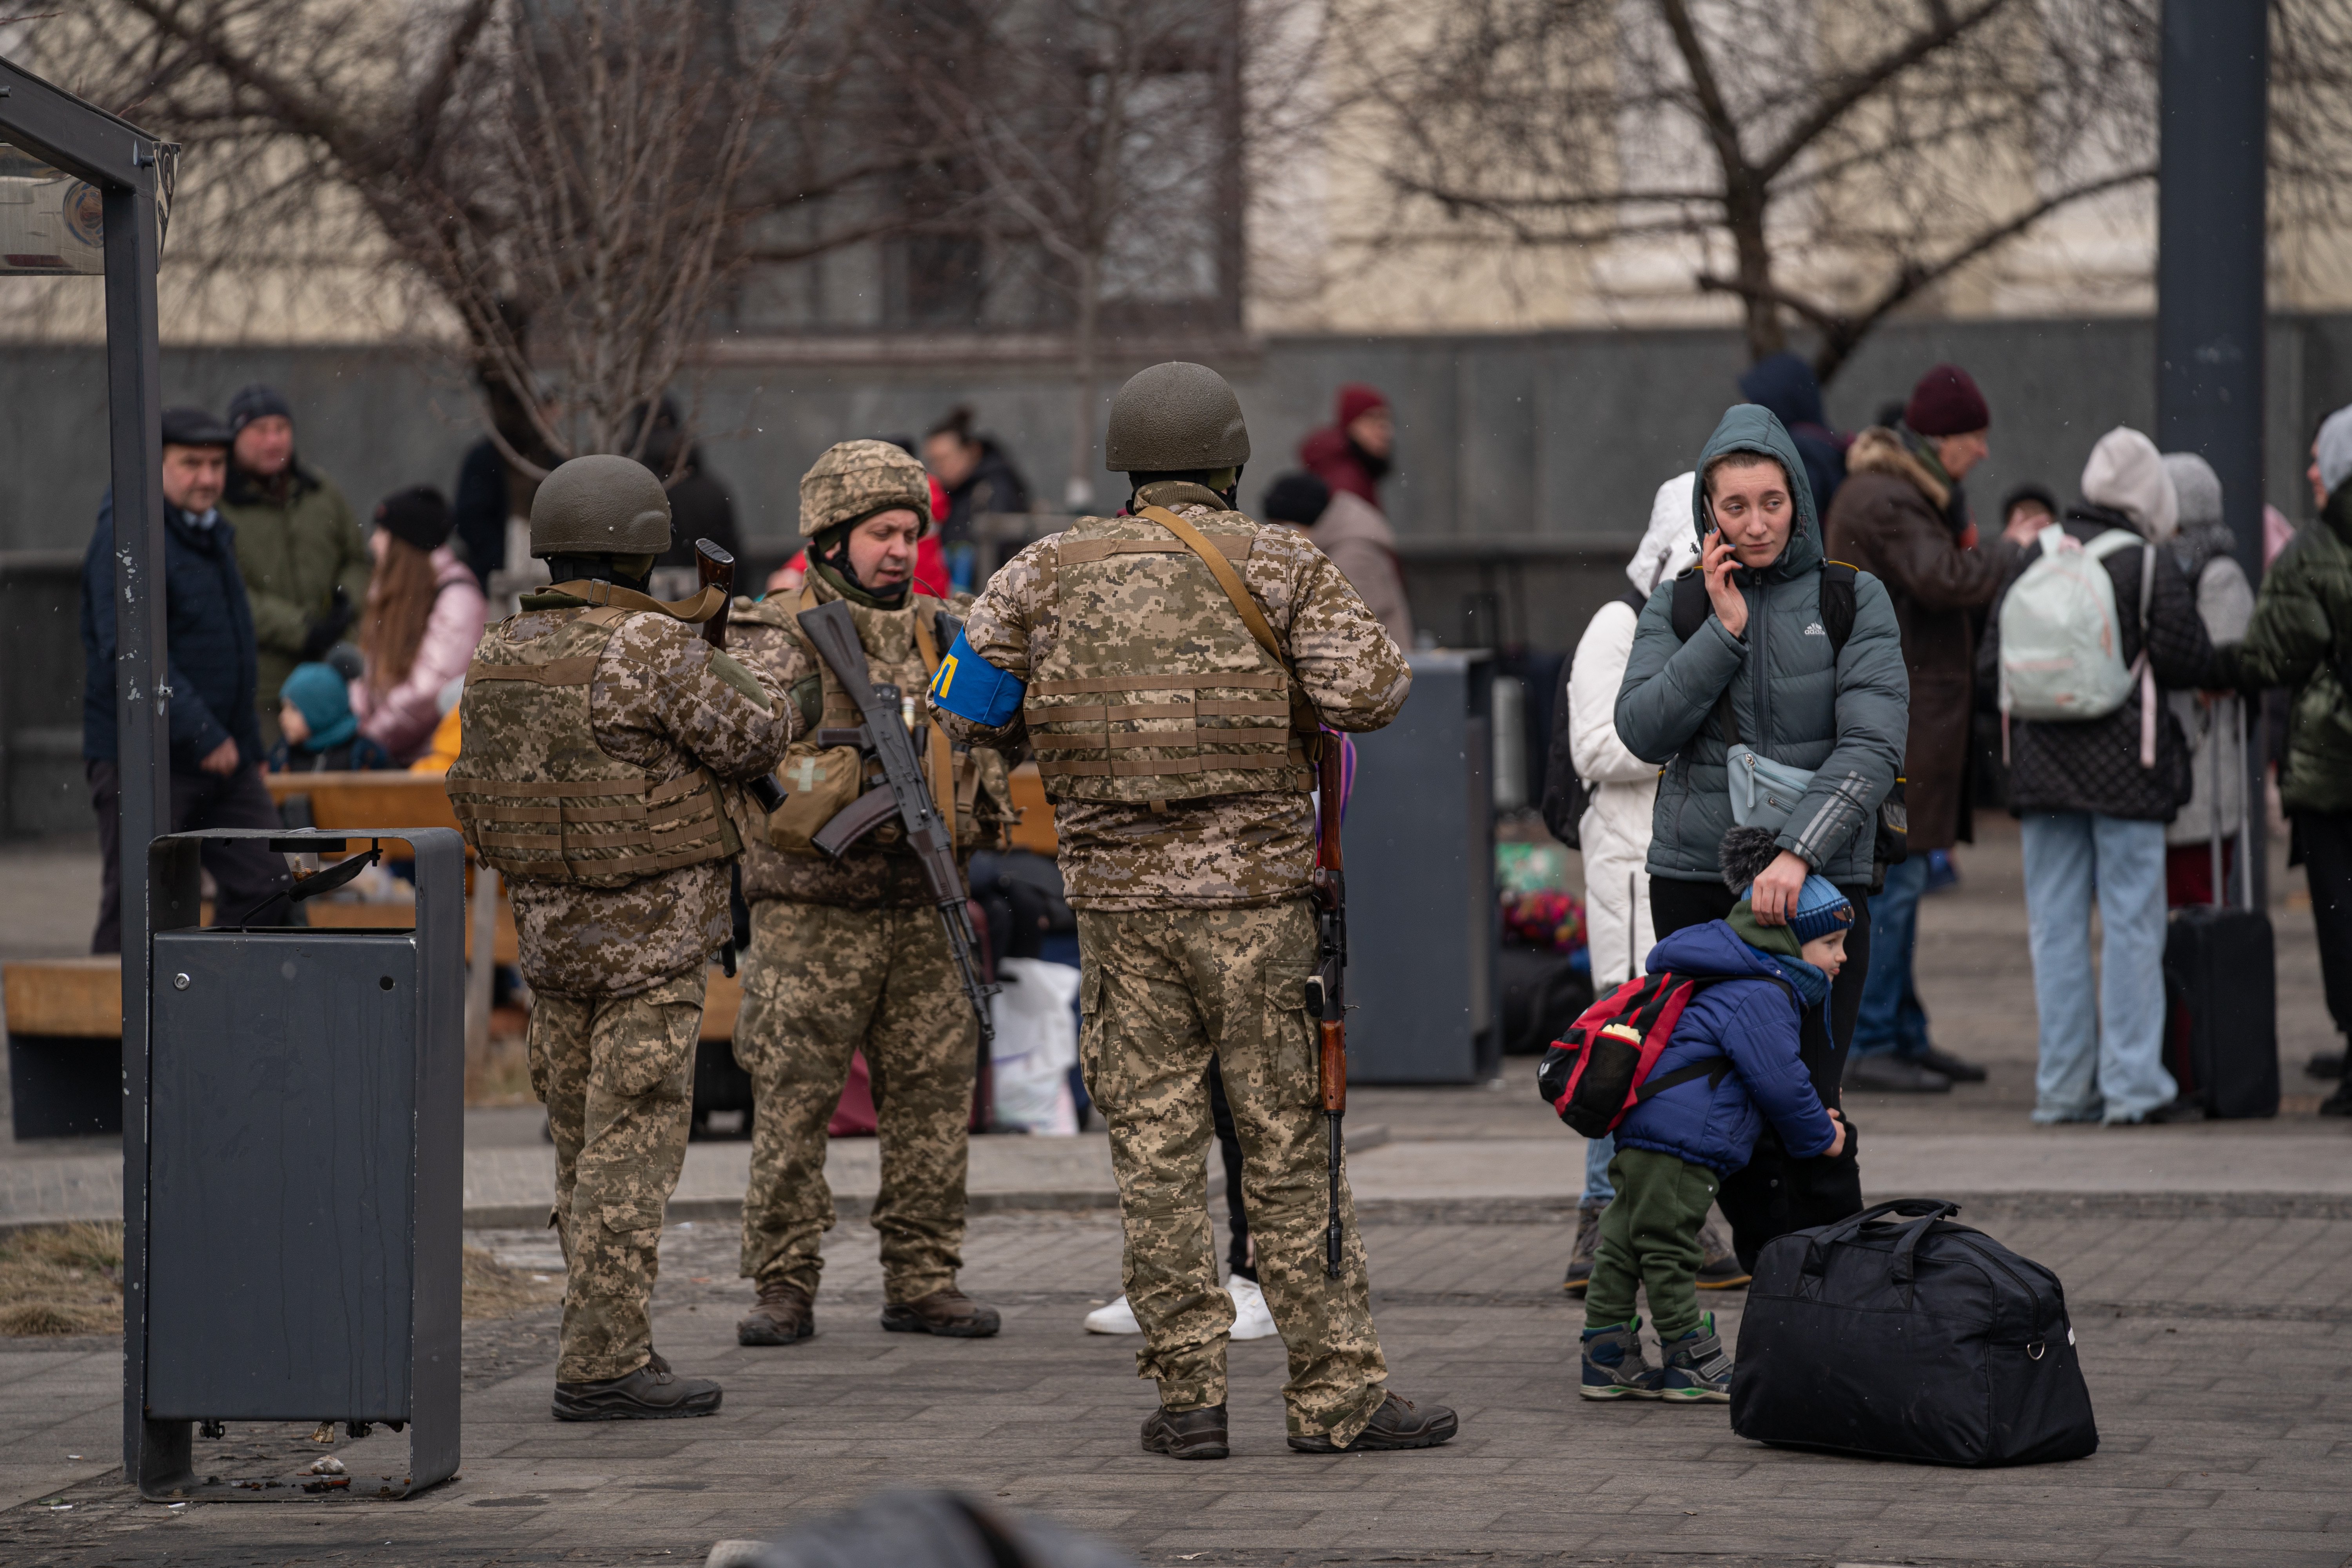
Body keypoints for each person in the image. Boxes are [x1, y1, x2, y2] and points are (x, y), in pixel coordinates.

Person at [930, 361, 1456, 1459]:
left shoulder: (1044, 570)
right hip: (1259, 911)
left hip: (1121, 916)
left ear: (1127, 465)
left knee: (1158, 1153)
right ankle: (1336, 1401)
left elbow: (966, 707)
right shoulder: (1279, 561)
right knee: (1289, 1151)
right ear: (1230, 460)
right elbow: (1375, 692)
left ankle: (1189, 1402)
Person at [444, 454, 793, 1419]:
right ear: (644, 546)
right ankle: (602, 1362)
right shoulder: (647, 646)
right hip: (650, 941)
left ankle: (606, 1333)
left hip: (551, 943)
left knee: (580, 1146)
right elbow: (755, 736)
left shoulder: (502, 647)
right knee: (631, 1150)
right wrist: (749, 665)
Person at [723, 439, 1016, 1349]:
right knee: (792, 1103)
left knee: (932, 1101)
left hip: (924, 910)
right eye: (880, 532)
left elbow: (1007, 722)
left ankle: (924, 1277)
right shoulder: (775, 635)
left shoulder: (948, 629)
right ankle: (783, 1282)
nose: (899, 549)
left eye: (909, 531)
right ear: (830, 536)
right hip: (810, 914)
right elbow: (731, 744)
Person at [1614, 403, 1907, 1270]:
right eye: (1733, 506)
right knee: (1721, 1100)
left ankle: (1835, 1288)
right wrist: (1723, 629)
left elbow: (1872, 745)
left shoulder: (1853, 597)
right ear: (1709, 511)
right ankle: (1779, 1283)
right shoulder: (1677, 603)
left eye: (1771, 502)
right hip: (1699, 883)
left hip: (1819, 890)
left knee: (1809, 1099)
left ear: (1799, 501)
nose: (1754, 523)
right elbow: (1642, 731)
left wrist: (1799, 852)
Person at [1980, 427, 2214, 1126]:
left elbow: (1991, 666)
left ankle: (2063, 1088)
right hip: (2128, 774)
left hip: (2043, 775)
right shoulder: (2145, 565)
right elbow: (2189, 658)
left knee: (2054, 931)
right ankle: (2133, 1088)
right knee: (2133, 929)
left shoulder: (2036, 557)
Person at [1551, 474, 1741, 1295]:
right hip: (1631, 864)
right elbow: (1596, 746)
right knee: (1627, 1035)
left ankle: (1675, 1216)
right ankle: (1603, 1217)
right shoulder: (1619, 625)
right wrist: (1686, 736)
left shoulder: (1726, 616)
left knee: (1683, 1036)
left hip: (1692, 857)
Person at [1579, 826, 1849, 1403]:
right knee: (1671, 1247)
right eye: (1831, 944)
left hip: (1651, 1129)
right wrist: (1823, 1135)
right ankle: (1686, 1356)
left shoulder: (1733, 974)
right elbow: (1780, 1081)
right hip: (1684, 1141)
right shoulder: (1762, 992)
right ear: (1794, 942)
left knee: (1625, 1237)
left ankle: (1605, 1352)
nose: (1842, 958)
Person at [1825, 363, 2034, 1092]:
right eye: (1973, 438)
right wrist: (2018, 550)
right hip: (1900, 719)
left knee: (1901, 879)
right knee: (1898, 881)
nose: (1980, 451)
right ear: (1941, 439)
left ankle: (1902, 1032)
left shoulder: (1896, 491)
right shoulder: (1890, 499)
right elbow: (1946, 578)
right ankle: (1876, 1038)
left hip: (1905, 711)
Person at [81, 407, 296, 953]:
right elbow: (130, 655)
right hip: (147, 757)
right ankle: (108, 1036)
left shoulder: (210, 532)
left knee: (267, 882)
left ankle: (215, 1014)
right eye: (191, 464)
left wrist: (246, 745)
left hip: (223, 758)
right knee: (138, 904)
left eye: (217, 464)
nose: (207, 477)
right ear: (153, 467)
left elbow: (234, 649)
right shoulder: (127, 536)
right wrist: (204, 734)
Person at [2210, 406, 2352, 1114]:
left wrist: (2209, 663)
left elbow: (2274, 654)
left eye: (2322, 460)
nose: (2311, 473)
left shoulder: (2312, 550)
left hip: (2333, 765)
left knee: (2342, 910)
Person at [215, 384, 369, 748]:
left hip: (330, 677)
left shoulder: (321, 492)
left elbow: (357, 558)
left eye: (281, 429)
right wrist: (302, 629)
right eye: (260, 431)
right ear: (235, 438)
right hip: (264, 686)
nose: (273, 441)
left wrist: (345, 602)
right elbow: (230, 593)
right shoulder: (220, 506)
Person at [2158, 453, 2256, 907]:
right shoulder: (2160, 569)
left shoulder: (2219, 577)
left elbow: (2222, 668)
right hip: (2168, 769)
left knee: (2198, 902)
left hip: (2205, 768)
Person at [349, 487, 488, 764]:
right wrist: (359, 725)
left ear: (405, 545)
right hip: (393, 756)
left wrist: (371, 737)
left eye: (383, 534)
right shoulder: (390, 594)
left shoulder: (458, 598)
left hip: (436, 760)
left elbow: (429, 691)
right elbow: (369, 674)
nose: (373, 543)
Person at [1260, 471, 1414, 648]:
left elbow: (1340, 627)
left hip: (1376, 668)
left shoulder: (1354, 555)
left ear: (1308, 521)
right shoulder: (1334, 545)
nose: (1281, 539)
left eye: (1287, 528)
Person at [1737, 351, 1847, 515]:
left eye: (1755, 403)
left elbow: (1803, 529)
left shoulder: (1796, 454)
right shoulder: (1821, 442)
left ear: (1778, 402)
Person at [923, 406, 1032, 555]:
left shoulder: (995, 488)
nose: (939, 467)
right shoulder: (948, 491)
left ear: (972, 451)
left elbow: (1000, 548)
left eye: (945, 458)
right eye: (933, 461)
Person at [270, 661, 391, 772]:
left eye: (294, 709)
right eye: (283, 708)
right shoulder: (281, 755)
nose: (283, 717)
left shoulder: (364, 755)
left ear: (320, 712)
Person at [1297, 383, 1393, 510]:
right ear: (1350, 424)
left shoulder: (1354, 471)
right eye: (1373, 420)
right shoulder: (1346, 483)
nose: (1386, 432)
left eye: (1386, 421)